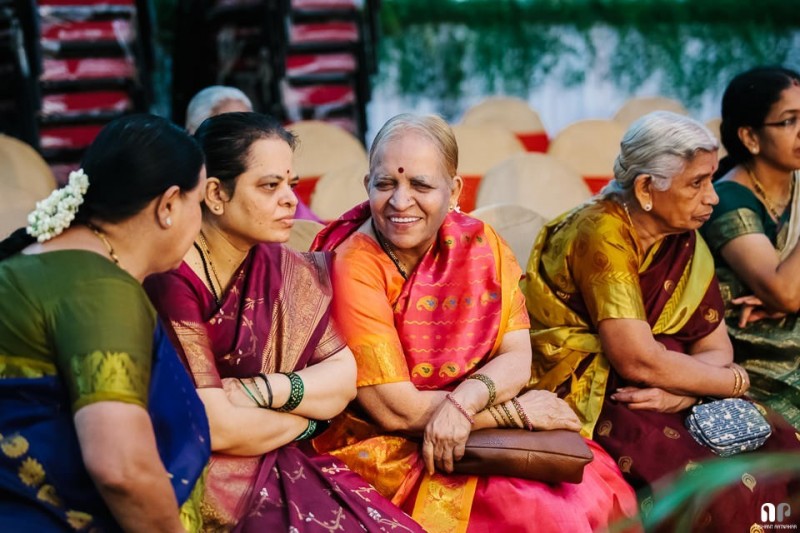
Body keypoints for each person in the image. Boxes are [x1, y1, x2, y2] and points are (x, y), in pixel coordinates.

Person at [311, 113, 638, 533]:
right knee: (546, 515)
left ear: (455, 190)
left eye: (421, 185)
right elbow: (396, 411)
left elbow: (517, 355)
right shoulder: (352, 265)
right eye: (386, 183)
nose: (399, 201)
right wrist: (516, 412)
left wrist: (464, 403)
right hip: (391, 448)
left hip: (471, 422)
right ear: (367, 186)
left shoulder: (481, 244)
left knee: (590, 490)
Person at [145, 112, 424, 532]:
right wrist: (310, 420)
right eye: (269, 186)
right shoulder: (174, 279)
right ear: (216, 194)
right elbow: (214, 426)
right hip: (204, 475)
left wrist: (261, 390)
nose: (291, 200)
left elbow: (343, 377)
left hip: (275, 455)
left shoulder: (279, 266)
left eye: (290, 185)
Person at [524, 111, 800, 530]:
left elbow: (715, 346)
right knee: (715, 489)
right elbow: (636, 361)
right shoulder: (601, 232)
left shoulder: (680, 234)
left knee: (781, 449)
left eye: (710, 180)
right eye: (697, 183)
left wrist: (686, 393)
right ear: (646, 188)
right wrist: (731, 383)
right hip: (602, 389)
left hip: (669, 385)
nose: (712, 197)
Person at [0, 115, 210, 532]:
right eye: (199, 202)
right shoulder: (100, 291)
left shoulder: (35, 258)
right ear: (168, 205)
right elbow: (122, 469)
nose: (199, 219)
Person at [700, 66, 800, 429]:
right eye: (789, 121)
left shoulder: (796, 185)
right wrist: (784, 294)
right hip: (759, 353)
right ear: (750, 136)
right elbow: (786, 294)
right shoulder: (727, 198)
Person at [185, 85, 322, 224]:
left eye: (252, 128)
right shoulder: (181, 209)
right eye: (230, 132)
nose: (292, 200)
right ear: (215, 193)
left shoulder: (280, 190)